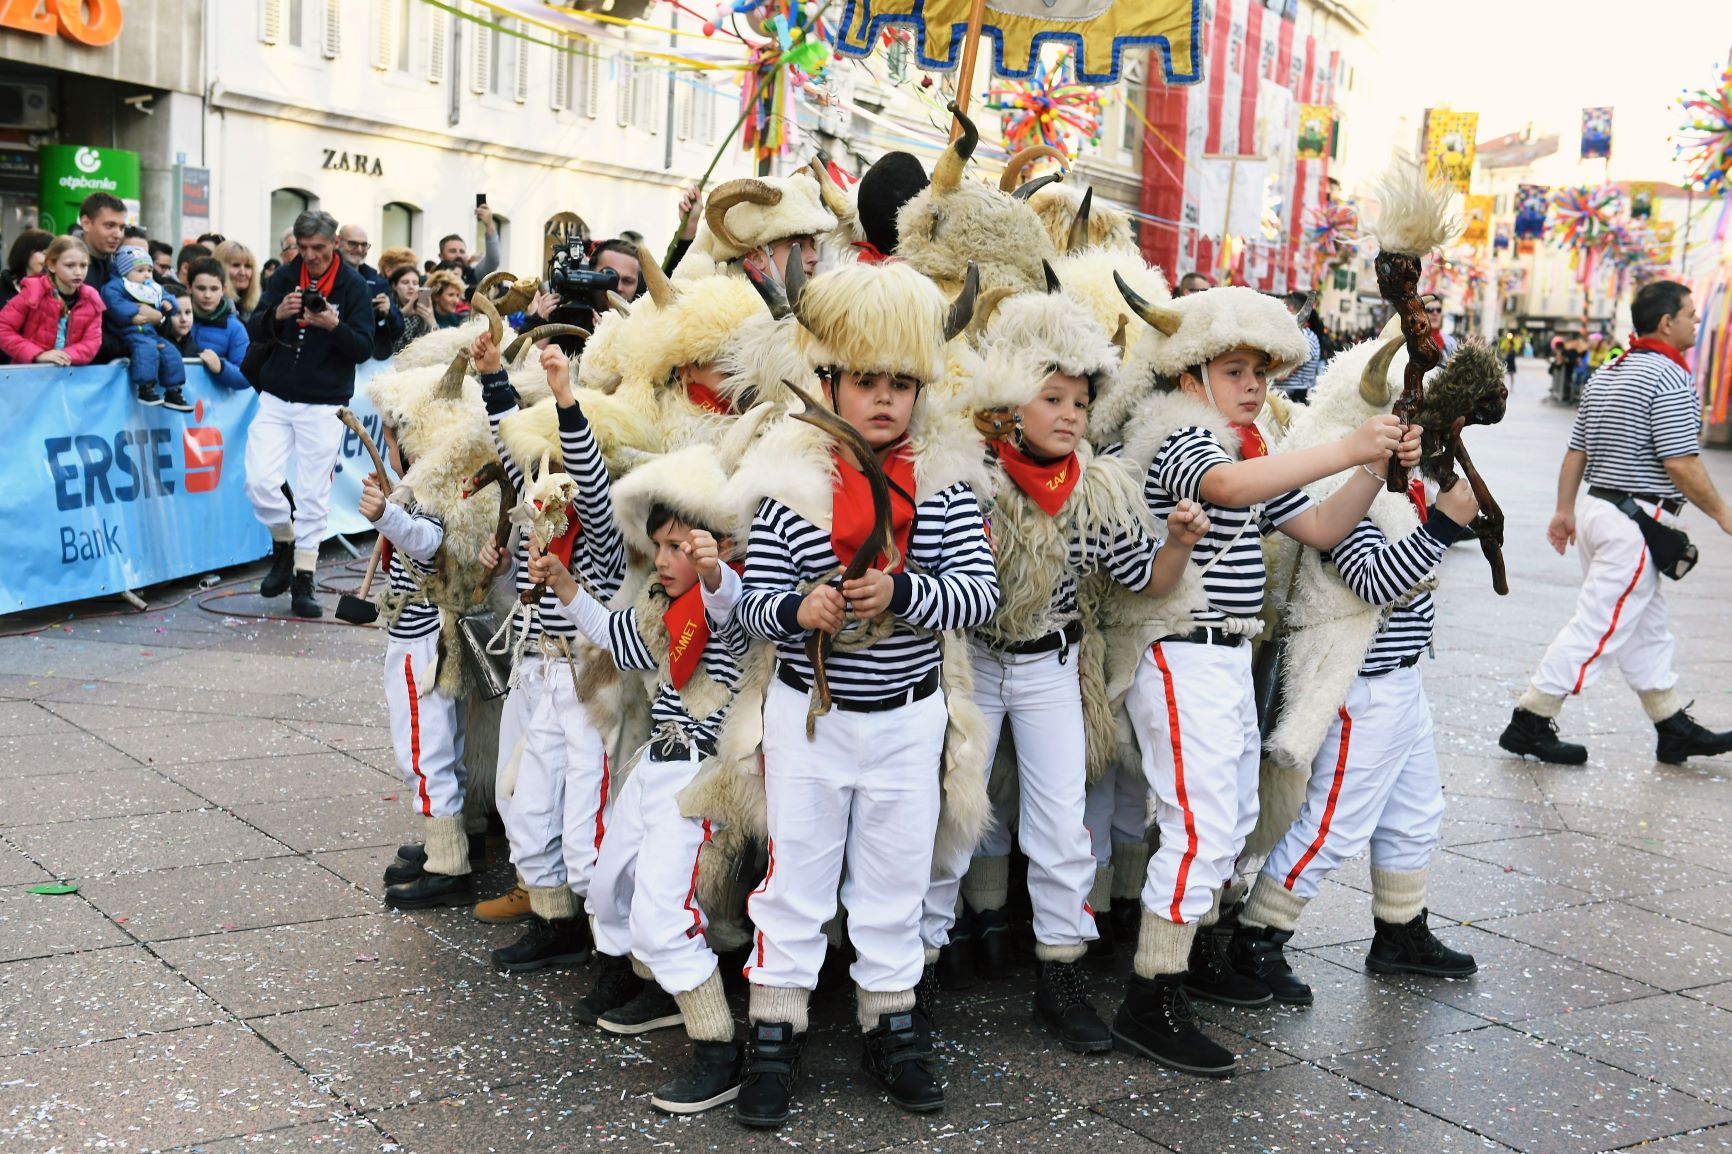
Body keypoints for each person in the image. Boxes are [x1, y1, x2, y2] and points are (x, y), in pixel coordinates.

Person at [1106, 284, 1418, 1077]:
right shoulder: (1180, 434)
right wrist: (1350, 449)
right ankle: (1150, 995)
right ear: (1190, 376)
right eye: (1235, 371)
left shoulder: (1241, 443)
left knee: (1234, 815)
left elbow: (1321, 525)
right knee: (1204, 823)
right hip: (1178, 647)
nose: (1254, 386)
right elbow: (1226, 490)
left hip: (1223, 653)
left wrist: (1371, 465)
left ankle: (1192, 961)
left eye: (1261, 372)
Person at [730, 261, 1000, 1127]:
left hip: (908, 717)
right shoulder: (787, 483)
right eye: (867, 380)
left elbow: (980, 596)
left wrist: (905, 592)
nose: (885, 398)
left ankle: (892, 1021)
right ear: (830, 381)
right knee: (796, 880)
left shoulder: (947, 484)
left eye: (901, 383)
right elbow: (751, 606)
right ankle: (775, 1029)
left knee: (895, 878)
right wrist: (797, 609)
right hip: (809, 717)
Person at [924, 287, 1210, 1051]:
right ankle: (915, 968)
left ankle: (1061, 972)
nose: (1070, 415)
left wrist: (1178, 542)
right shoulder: (973, 477)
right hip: (975, 663)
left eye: (1081, 402)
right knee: (953, 814)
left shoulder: (1097, 486)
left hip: (1052, 664)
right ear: (1012, 399)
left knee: (1060, 826)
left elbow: (1147, 579)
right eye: (1052, 398)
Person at [1229, 333, 1486, 1009]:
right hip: (1360, 685)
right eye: (1412, 416)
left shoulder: (1398, 477)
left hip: (1402, 676)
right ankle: (1258, 938)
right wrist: (1443, 528)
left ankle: (1400, 929)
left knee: (1416, 810)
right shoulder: (1343, 484)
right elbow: (1371, 580)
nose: (1422, 431)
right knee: (1333, 822)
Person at [531, 445, 750, 1115]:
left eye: (678, 546)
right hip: (656, 765)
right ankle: (657, 989)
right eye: (658, 546)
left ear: (716, 548)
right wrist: (566, 585)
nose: (663, 559)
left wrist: (714, 572)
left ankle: (718, 1049)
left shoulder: (731, 602)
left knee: (661, 914)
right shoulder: (663, 607)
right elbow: (616, 633)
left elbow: (728, 602)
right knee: (607, 886)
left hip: (700, 778)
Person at [1499, 280, 1732, 766]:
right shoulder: (1670, 376)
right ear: (1666, 323)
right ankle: (1530, 720)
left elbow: (1576, 450)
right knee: (1598, 626)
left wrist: (1564, 510)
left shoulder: (1609, 371)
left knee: (1646, 627)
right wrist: (1723, 514)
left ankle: (1672, 725)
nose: (1696, 320)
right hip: (1635, 524)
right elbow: (1680, 462)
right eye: (1690, 313)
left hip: (1601, 512)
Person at [473, 327, 626, 969]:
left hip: (592, 683)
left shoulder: (605, 530)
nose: (552, 478)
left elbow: (586, 474)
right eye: (547, 469)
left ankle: (615, 953)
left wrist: (565, 400)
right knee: (528, 807)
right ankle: (553, 922)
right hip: (542, 671)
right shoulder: (542, 512)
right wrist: (492, 378)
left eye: (562, 466)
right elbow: (514, 454)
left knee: (588, 829)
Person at [359, 423, 476, 910]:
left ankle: (448, 865)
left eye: (392, 439)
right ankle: (452, 839)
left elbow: (427, 541)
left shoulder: (428, 494)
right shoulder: (430, 486)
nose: (387, 447)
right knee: (445, 746)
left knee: (424, 754)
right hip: (431, 636)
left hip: (422, 644)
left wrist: (385, 513)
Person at [244, 209, 375, 617]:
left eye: (318, 247)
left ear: (334, 243)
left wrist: (333, 324)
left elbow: (364, 347)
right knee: (259, 479)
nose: (311, 256)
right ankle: (284, 542)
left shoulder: (353, 285)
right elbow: (253, 327)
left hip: (324, 401)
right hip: (276, 394)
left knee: (313, 491)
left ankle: (304, 576)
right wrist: (277, 314)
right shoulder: (285, 276)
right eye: (303, 248)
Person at [101, 245, 190, 411]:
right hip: (128, 331)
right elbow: (114, 302)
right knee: (146, 350)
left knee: (171, 352)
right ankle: (146, 387)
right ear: (124, 271)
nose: (147, 275)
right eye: (140, 270)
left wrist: (168, 304)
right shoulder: (116, 286)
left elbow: (167, 295)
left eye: (149, 270)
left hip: (150, 332)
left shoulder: (152, 287)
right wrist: (134, 313)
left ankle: (174, 391)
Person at [0, 235, 104, 367]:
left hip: (68, 375)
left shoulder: (91, 299)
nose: (78, 272)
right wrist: (37, 354)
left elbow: (92, 343)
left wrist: (62, 356)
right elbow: (3, 328)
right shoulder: (34, 291)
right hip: (29, 374)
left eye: (83, 265)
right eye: (70, 265)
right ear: (52, 265)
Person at [77, 192, 136, 361]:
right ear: (86, 223)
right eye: (109, 226)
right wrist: (129, 346)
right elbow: (78, 331)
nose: (118, 234)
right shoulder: (65, 267)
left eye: (122, 227)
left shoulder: (121, 266)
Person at [338, 222, 404, 360]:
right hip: (336, 357)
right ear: (338, 242)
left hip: (373, 360)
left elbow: (398, 330)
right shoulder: (324, 275)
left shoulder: (378, 282)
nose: (359, 249)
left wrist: (389, 312)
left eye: (364, 245)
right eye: (353, 244)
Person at [186, 256, 251, 391]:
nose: (207, 295)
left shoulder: (235, 329)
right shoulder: (174, 318)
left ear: (223, 289)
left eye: (214, 289)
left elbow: (246, 377)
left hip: (213, 403)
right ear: (189, 287)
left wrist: (221, 367)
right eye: (201, 288)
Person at [436, 202, 500, 289]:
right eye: (452, 251)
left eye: (462, 251)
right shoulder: (430, 279)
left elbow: (493, 260)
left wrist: (489, 225)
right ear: (441, 256)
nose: (458, 255)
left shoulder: (472, 275)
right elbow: (423, 296)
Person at [1279, 291, 1323, 403]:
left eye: (1280, 307)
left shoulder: (1305, 338)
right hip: (1283, 398)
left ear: (1290, 309)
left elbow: (1282, 374)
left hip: (1293, 401)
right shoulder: (1293, 335)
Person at [0, 227, 53, 313]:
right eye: (44, 253)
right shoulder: (4, 286)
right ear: (26, 252)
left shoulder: (52, 289)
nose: (48, 260)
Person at [213, 240, 262, 326]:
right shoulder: (212, 306)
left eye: (247, 266)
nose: (243, 272)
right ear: (219, 268)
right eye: (236, 265)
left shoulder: (258, 305)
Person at [390, 265, 434, 351]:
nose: (411, 286)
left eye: (415, 283)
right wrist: (402, 314)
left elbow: (438, 341)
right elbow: (392, 344)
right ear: (394, 286)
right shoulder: (388, 308)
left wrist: (432, 322)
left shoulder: (423, 306)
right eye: (405, 282)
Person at [166, 282, 196, 356]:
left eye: (188, 312)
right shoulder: (158, 346)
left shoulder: (192, 345)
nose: (184, 319)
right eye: (176, 313)